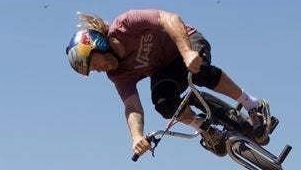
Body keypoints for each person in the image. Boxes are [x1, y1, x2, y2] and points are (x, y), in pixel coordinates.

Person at [66, 10, 274, 158]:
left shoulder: (126, 24)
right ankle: (206, 129)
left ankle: (252, 105)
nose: (98, 70)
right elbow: (132, 107)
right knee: (164, 103)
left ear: (98, 46)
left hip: (185, 42)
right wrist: (137, 136)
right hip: (166, 69)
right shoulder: (118, 75)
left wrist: (187, 53)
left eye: (94, 65)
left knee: (198, 72)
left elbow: (169, 19)